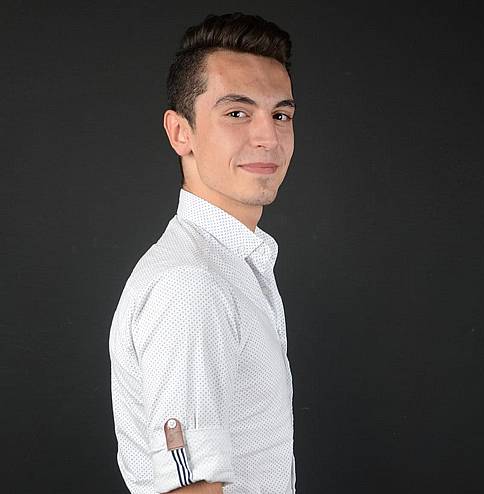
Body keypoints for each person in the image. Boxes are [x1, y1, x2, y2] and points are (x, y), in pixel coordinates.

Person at [109, 12, 297, 494]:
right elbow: (188, 489)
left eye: (280, 115)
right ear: (181, 133)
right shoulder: (193, 285)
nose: (268, 137)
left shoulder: (234, 266)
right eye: (237, 113)